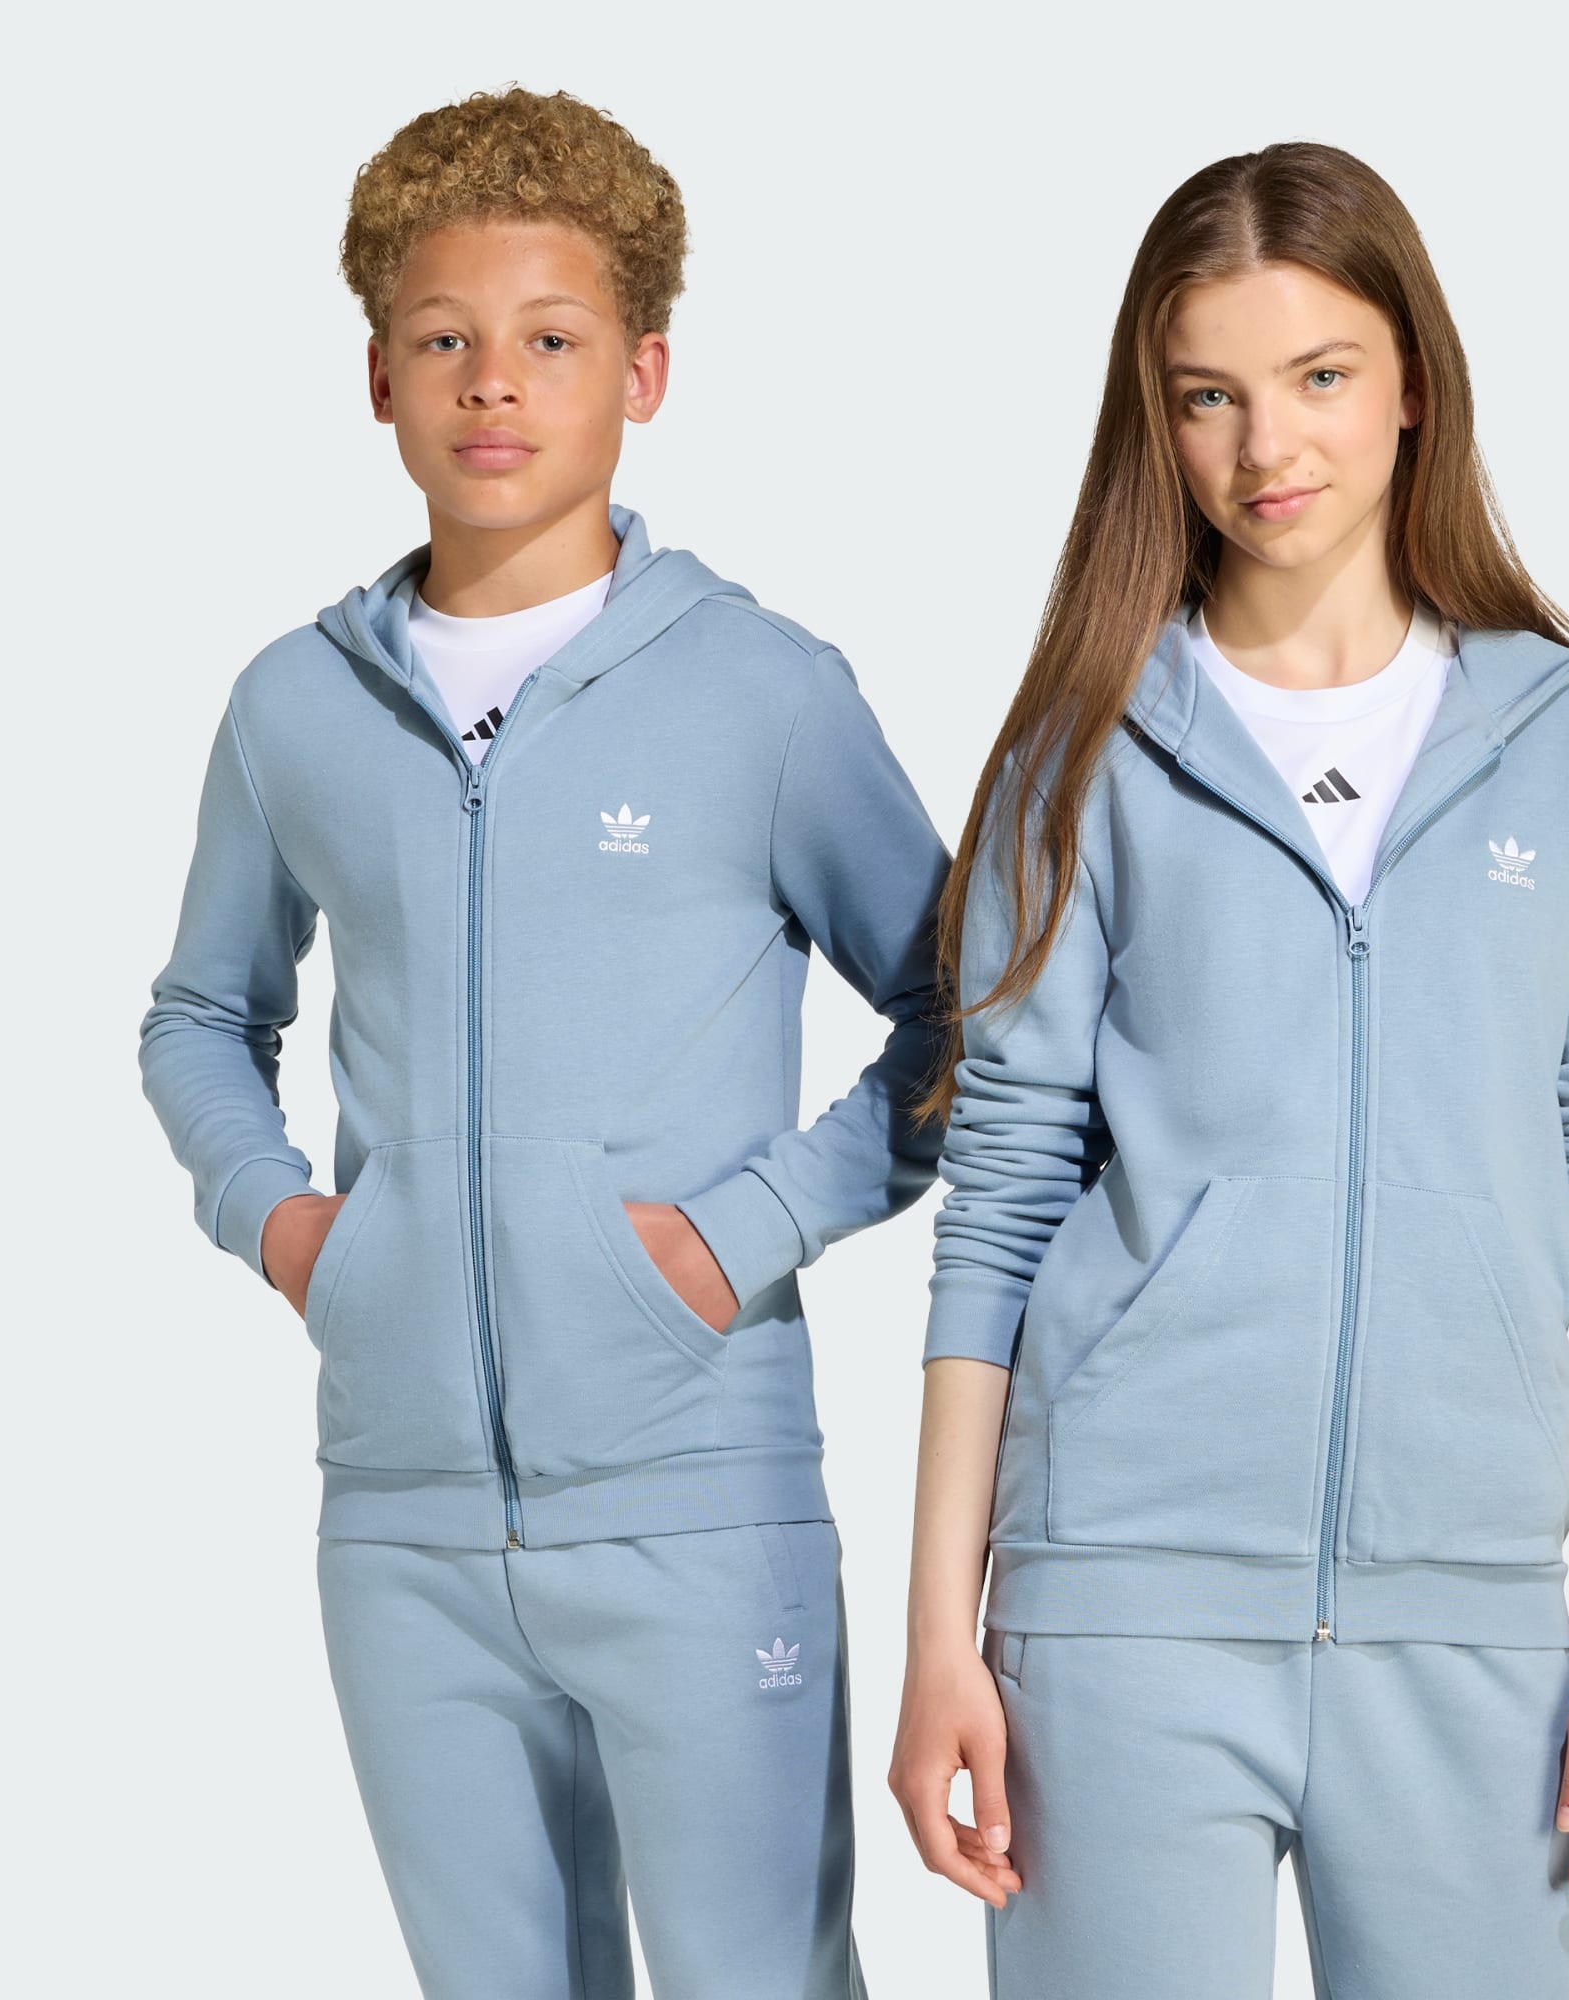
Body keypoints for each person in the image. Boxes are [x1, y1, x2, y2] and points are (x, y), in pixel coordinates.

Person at [139, 85, 948, 2000]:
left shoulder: (762, 690)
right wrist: (292, 1229)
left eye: (552, 341)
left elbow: (963, 1020)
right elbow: (202, 1015)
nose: (493, 383)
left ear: (642, 373)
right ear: (378, 376)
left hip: (698, 1492)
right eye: (443, 340)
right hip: (403, 1518)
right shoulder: (292, 706)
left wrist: (739, 1238)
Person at [889, 142, 1569, 1999]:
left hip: (1466, 1622)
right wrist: (943, 1633)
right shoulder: (1085, 750)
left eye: (1321, 375)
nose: (1270, 445)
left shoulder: (1568, 741)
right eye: (1209, 396)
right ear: (1157, 421)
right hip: (1118, 1613)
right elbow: (999, 1199)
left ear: (1413, 382)